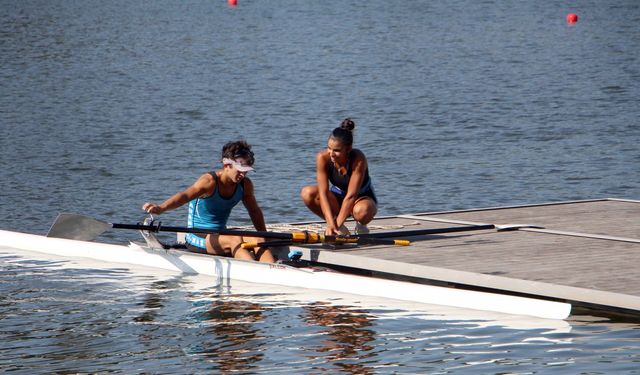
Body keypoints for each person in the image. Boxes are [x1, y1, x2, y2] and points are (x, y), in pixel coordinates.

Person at [142, 140, 275, 263]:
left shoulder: (245, 185)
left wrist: (264, 235)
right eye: (240, 171)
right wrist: (161, 208)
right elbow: (184, 196)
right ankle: (254, 270)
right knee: (235, 240)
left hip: (221, 234)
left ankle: (274, 272)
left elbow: (254, 211)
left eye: (246, 171)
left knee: (258, 240)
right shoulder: (209, 182)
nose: (243, 175)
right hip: (197, 237)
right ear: (227, 165)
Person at [300, 118, 377, 236]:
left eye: (336, 150)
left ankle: (361, 226)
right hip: (338, 197)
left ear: (348, 149)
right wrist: (332, 224)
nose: (331, 153)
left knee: (362, 211)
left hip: (360, 198)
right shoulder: (322, 158)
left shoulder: (358, 158)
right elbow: (324, 194)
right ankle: (339, 228)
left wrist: (337, 225)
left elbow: (351, 196)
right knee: (307, 193)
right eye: (329, 148)